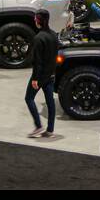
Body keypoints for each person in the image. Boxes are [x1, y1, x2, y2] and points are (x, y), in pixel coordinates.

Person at [25, 10, 58, 138]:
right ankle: (50, 129)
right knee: (50, 103)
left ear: (39, 20)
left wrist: (35, 79)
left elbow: (37, 62)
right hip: (51, 75)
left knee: (29, 98)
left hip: (40, 76)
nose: (34, 20)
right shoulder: (54, 35)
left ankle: (38, 126)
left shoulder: (39, 38)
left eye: (35, 19)